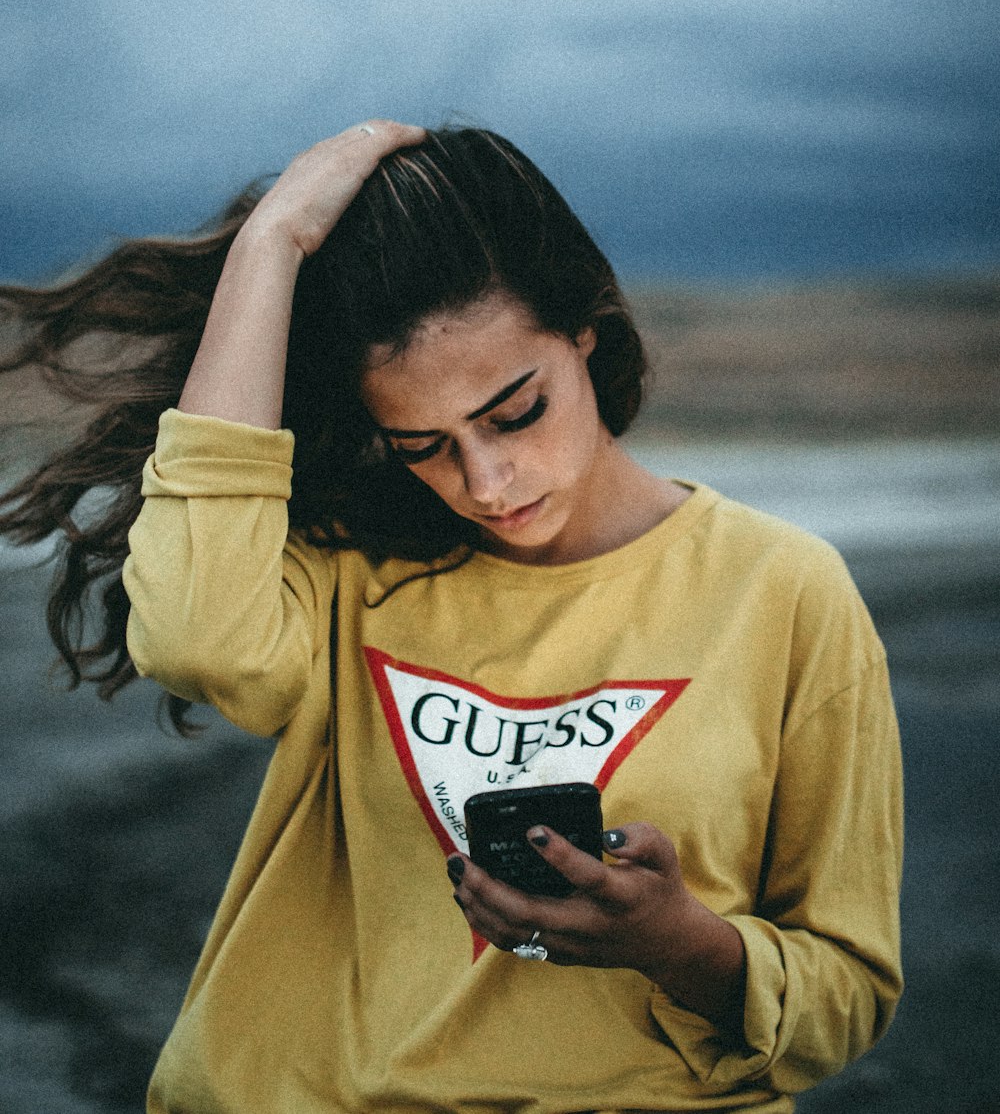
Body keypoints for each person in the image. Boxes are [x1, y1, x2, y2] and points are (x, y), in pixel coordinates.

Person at [0, 122, 903, 1114]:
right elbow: (191, 637)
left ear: (587, 336)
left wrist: (683, 945)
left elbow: (847, 992)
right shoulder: (354, 570)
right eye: (422, 444)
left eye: (515, 412)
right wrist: (273, 246)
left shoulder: (781, 591)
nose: (485, 481)